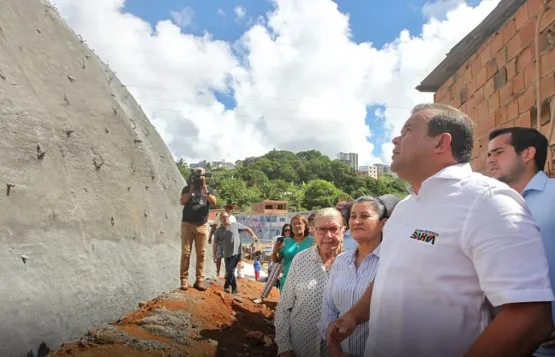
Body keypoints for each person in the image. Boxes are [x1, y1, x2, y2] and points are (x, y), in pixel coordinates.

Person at [325, 103, 554, 357]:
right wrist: (353, 317)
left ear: (441, 143)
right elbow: (389, 277)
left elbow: (531, 317)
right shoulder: (404, 209)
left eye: (408, 130)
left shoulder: (487, 201)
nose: (394, 139)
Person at [487, 127, 555, 356]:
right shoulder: (492, 207)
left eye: (498, 152)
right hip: (505, 340)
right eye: (488, 155)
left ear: (527, 154)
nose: (490, 160)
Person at [321, 194, 400, 357]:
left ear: (383, 224)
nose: (356, 221)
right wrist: (334, 348)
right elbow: (328, 308)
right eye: (353, 216)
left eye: (364, 216)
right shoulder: (341, 261)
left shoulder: (393, 262)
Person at [275, 207, 345, 357]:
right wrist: (284, 347)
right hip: (301, 348)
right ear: (313, 230)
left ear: (343, 230)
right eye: (322, 229)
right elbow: (284, 307)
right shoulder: (300, 260)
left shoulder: (352, 263)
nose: (328, 235)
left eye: (334, 229)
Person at [179, 168, 217, 291]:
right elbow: (182, 201)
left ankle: (199, 280)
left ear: (205, 177)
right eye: (197, 177)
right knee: (186, 253)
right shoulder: (187, 188)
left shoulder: (208, 189)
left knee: (201, 254)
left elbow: (214, 202)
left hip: (202, 225)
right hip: (187, 225)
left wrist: (205, 190)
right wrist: (191, 190)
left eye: (201, 177)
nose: (199, 179)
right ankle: (184, 279)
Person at [214, 211, 258, 294]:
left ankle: (226, 286)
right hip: (226, 253)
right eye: (223, 217)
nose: (226, 219)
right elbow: (215, 243)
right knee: (230, 271)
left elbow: (247, 228)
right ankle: (234, 289)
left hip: (237, 252)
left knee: (231, 269)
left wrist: (253, 235)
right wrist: (214, 255)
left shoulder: (235, 225)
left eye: (227, 217)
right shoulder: (218, 230)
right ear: (220, 219)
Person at [271, 215, 313, 291]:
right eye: (294, 224)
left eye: (299, 223)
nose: (297, 226)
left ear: (305, 226)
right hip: (287, 281)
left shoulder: (312, 241)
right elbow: (276, 260)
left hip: (306, 282)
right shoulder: (286, 241)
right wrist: (274, 252)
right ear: (291, 227)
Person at [253, 223, 292, 304]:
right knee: (271, 279)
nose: (288, 232)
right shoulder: (281, 241)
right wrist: (277, 248)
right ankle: (262, 297)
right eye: (286, 230)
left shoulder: (294, 240)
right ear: (283, 232)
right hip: (280, 261)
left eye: (289, 230)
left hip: (290, 262)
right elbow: (275, 254)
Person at [210, 201, 236, 279]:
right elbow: (214, 226)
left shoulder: (233, 218)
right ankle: (217, 273)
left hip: (229, 241)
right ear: (226, 208)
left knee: (228, 258)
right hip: (219, 239)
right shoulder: (219, 216)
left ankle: (226, 273)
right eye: (229, 207)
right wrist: (210, 236)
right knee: (219, 257)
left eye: (232, 208)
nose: (231, 209)